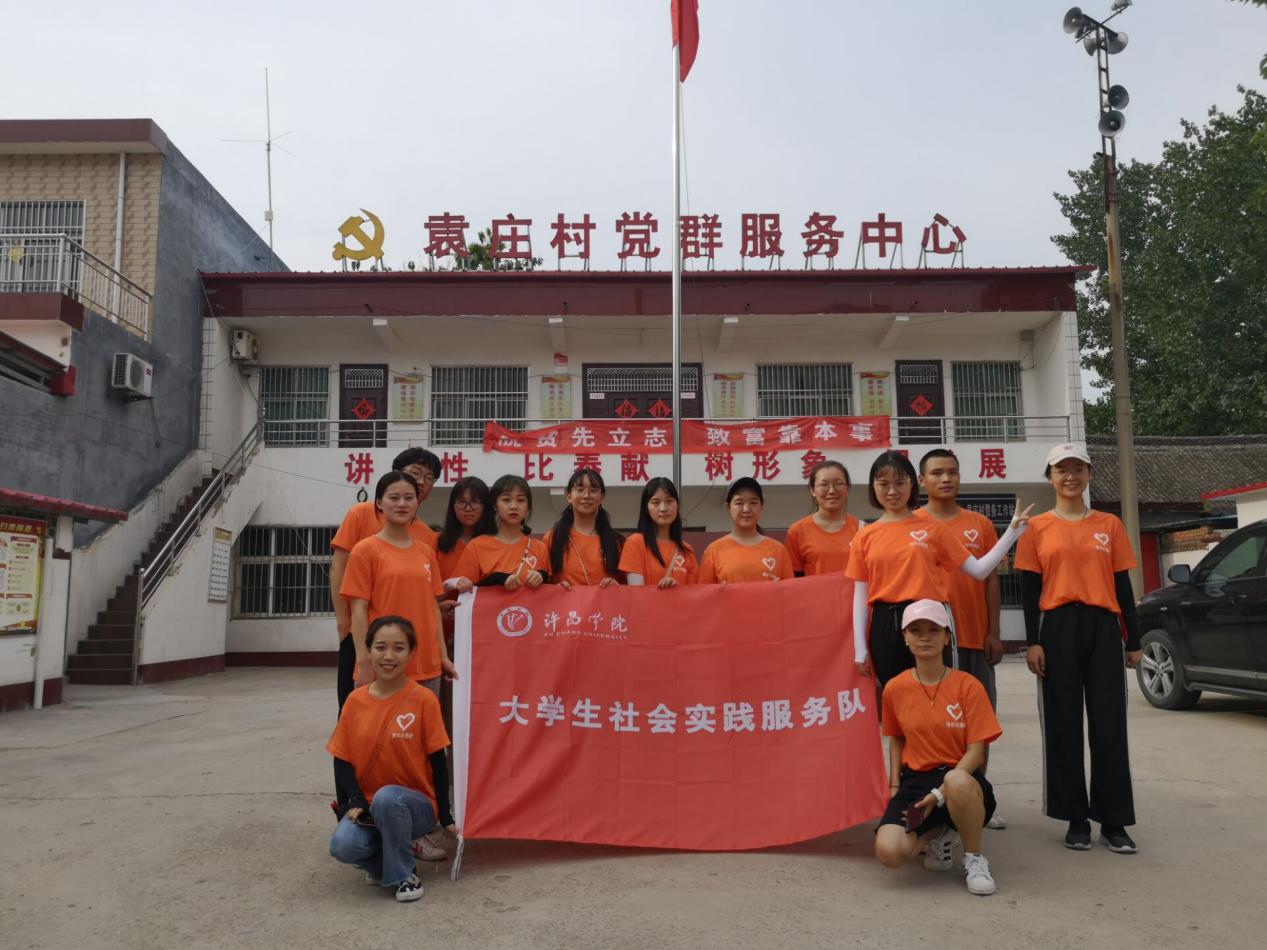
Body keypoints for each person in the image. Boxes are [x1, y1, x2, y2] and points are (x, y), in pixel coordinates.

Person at [1014, 442, 1141, 854]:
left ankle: (1114, 820)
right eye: (1061, 470)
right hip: (1056, 628)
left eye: (1078, 469)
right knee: (1063, 723)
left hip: (1103, 627)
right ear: (1049, 478)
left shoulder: (1109, 524)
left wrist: (1134, 639)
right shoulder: (1036, 528)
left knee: (1109, 725)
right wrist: (1033, 641)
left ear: (1089, 475)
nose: (1070, 477)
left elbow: (1122, 585)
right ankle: (1075, 818)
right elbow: (1029, 588)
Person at [847, 450, 1030, 690]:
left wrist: (1011, 534)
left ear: (912, 484)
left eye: (899, 483)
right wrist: (860, 649)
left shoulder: (934, 528)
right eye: (883, 484)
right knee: (895, 694)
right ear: (873, 487)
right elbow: (860, 595)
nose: (892, 491)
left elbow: (979, 571)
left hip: (929, 619)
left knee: (938, 693)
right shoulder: (865, 536)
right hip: (885, 623)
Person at [874, 600, 1002, 897]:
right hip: (916, 780)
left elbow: (976, 752)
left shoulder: (968, 686)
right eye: (916, 630)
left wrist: (940, 793)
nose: (925, 637)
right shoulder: (895, 688)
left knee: (956, 781)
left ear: (947, 638)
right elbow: (897, 738)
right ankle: (938, 832)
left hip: (961, 779)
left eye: (934, 630)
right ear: (905, 638)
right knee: (889, 851)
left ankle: (973, 858)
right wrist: (894, 785)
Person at [328, 615, 453, 902]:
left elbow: (438, 760)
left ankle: (405, 876)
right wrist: (354, 801)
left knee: (387, 798)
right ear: (368, 650)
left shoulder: (423, 700)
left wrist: (445, 815)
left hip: (415, 807)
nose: (388, 656)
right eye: (381, 647)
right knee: (342, 846)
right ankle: (386, 862)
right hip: (370, 807)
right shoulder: (355, 701)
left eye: (398, 648)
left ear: (411, 653)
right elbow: (341, 758)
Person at [915, 448, 1007, 830]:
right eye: (937, 473)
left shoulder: (979, 524)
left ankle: (979, 800)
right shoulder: (912, 525)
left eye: (952, 472)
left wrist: (994, 631)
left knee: (977, 725)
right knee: (935, 726)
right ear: (922, 480)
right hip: (933, 647)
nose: (946, 479)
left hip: (974, 640)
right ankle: (934, 804)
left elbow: (991, 579)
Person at [330, 448, 443, 711]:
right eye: (415, 473)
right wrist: (343, 619)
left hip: (407, 639)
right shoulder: (361, 513)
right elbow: (338, 568)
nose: (421, 481)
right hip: (361, 629)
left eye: (429, 478)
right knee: (354, 705)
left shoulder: (427, 536)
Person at [448, 474, 550, 591]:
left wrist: (541, 577)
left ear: (528, 507)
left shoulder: (540, 548)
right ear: (495, 506)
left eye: (520, 500)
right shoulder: (477, 546)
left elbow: (552, 592)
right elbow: (461, 591)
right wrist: (493, 581)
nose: (513, 506)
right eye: (506, 500)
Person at [698, 477, 794, 583]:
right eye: (739, 503)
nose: (746, 509)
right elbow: (704, 591)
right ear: (728, 508)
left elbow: (789, 591)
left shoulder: (778, 550)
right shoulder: (713, 551)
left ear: (761, 506)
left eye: (753, 502)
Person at [544, 468, 624, 589]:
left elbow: (629, 588)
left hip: (605, 602)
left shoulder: (617, 541)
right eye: (580, 490)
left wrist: (617, 587)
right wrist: (556, 588)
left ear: (602, 496)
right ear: (569, 496)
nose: (586, 495)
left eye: (593, 490)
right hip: (564, 602)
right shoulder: (552, 538)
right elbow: (541, 584)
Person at [785, 460, 860, 577]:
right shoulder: (797, 531)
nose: (832, 490)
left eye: (838, 483)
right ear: (812, 490)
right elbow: (794, 579)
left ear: (848, 488)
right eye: (824, 485)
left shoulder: (862, 530)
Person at [620, 477, 698, 587]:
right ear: (646, 509)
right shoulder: (635, 543)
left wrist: (676, 591)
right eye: (655, 502)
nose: (663, 508)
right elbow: (636, 592)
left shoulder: (687, 551)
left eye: (669, 501)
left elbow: (693, 593)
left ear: (678, 505)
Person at [435, 476, 493, 581]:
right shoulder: (436, 542)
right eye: (462, 502)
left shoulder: (495, 543)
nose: (468, 508)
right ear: (453, 505)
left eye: (475, 502)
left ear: (485, 506)